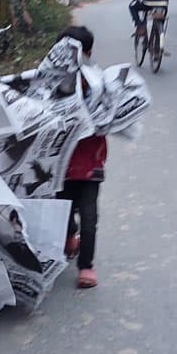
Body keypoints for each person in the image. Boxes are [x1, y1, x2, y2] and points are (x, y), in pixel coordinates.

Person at [55, 26, 106, 289]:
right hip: (58, 167)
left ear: (88, 54)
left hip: (89, 164)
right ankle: (69, 236)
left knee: (89, 217)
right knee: (61, 213)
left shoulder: (100, 84)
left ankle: (86, 265)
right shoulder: (47, 82)